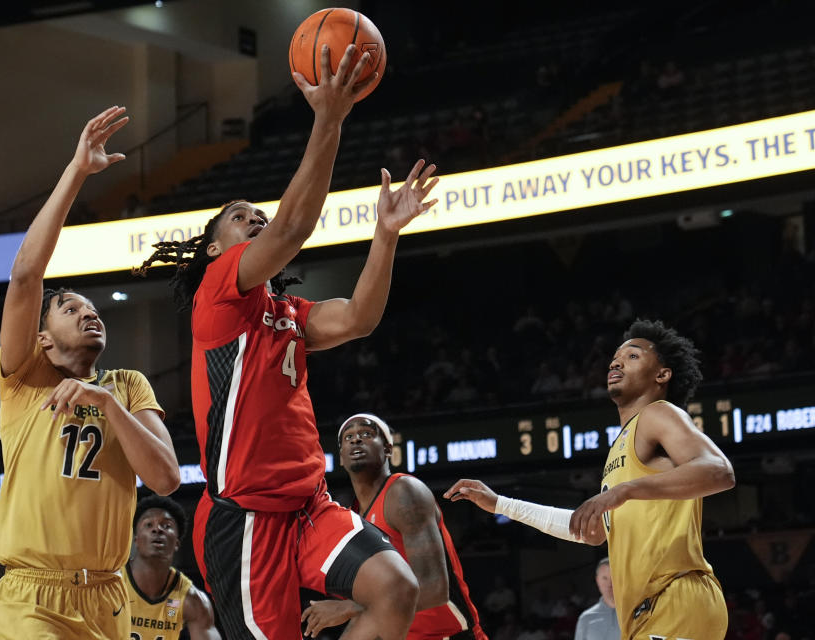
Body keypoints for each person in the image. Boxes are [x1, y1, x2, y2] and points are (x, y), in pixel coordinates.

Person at [135, 45, 439, 640]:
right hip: (243, 521)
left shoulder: (288, 313)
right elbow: (294, 227)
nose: (254, 219)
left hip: (309, 504)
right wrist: (330, 117)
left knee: (397, 588)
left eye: (257, 213)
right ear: (218, 251)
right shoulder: (218, 299)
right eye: (240, 217)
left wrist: (385, 235)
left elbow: (357, 319)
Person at [0, 106, 181, 640]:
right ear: (43, 337)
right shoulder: (23, 377)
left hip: (106, 594)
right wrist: (78, 172)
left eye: (92, 308)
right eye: (71, 309)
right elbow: (27, 274)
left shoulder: (128, 386)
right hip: (33, 591)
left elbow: (166, 478)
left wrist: (107, 404)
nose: (89, 312)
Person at [444, 319, 735, 640]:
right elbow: (590, 531)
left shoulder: (659, 413)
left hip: (675, 595)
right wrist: (501, 504)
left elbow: (718, 471)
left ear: (662, 375)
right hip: (643, 613)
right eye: (615, 357)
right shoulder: (619, 451)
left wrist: (623, 491)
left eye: (633, 356)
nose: (616, 361)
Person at [301, 413, 487, 640]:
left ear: (388, 449)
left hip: (452, 635)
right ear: (340, 457)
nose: (356, 440)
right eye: (348, 437)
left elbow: (434, 588)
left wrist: (349, 607)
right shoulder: (352, 518)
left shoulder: (404, 492)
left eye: (366, 434)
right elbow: (374, 610)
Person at [123, 495, 220, 640]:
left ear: (177, 543)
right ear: (136, 539)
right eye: (148, 525)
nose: (157, 529)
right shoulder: (114, 582)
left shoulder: (193, 600)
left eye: (167, 526)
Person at [573, 558, 619, 640]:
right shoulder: (586, 618)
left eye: (614, 577)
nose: (609, 584)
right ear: (597, 580)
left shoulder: (636, 614)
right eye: (605, 578)